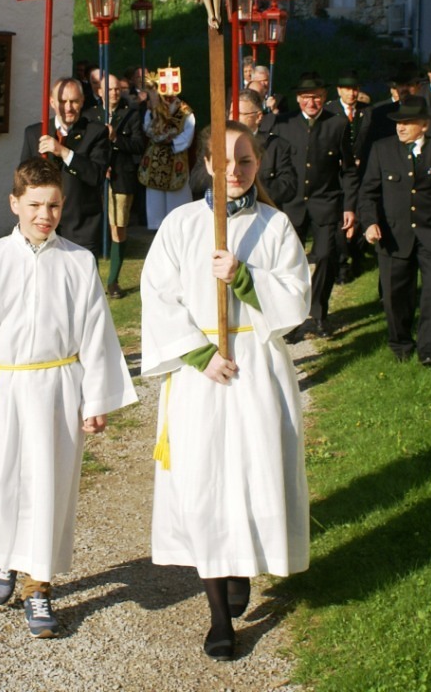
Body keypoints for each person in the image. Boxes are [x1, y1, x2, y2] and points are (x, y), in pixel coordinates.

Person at [0, 158, 137, 639]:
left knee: (50, 487)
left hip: (57, 389)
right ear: (14, 203)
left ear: (63, 206)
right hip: (4, 389)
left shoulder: (78, 261)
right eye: (34, 205)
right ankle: (4, 557)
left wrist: (96, 398)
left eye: (53, 205)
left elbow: (95, 335)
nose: (44, 215)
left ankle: (40, 585)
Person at [140, 121, 311, 661]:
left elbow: (296, 298)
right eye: (225, 160)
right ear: (208, 164)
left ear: (259, 164)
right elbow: (158, 297)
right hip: (202, 373)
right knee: (205, 480)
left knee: (254, 470)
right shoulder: (181, 225)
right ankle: (218, 615)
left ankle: (243, 563)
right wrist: (199, 355)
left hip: (256, 364)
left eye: (246, 160)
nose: (235, 170)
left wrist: (245, 277)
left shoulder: (275, 226)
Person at [358, 95, 431, 365]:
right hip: (393, 235)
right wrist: (369, 223)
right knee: (395, 297)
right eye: (398, 122)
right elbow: (368, 193)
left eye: (407, 122)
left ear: (424, 125)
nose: (401, 127)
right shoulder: (382, 150)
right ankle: (401, 344)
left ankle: (428, 351)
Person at [270, 71, 358, 340]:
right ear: (298, 99)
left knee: (325, 256)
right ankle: (293, 318)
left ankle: (319, 313)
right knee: (289, 262)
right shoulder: (283, 124)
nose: (312, 102)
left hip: (326, 202)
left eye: (317, 97)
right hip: (291, 204)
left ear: (324, 97)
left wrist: (349, 206)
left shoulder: (338, 124)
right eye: (307, 97)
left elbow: (348, 170)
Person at [20, 77, 110, 256]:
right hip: (42, 225)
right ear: (52, 102)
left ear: (82, 101)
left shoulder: (96, 132)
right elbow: (23, 180)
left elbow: (96, 175)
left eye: (74, 101)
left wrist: (63, 151)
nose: (68, 108)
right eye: (62, 101)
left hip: (81, 227)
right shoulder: (35, 133)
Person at [325, 70, 372, 282]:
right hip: (336, 174)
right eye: (347, 89)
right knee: (339, 219)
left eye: (355, 89)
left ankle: (357, 256)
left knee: (360, 215)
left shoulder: (367, 112)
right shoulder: (329, 111)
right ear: (339, 90)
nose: (351, 93)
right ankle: (342, 264)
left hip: (361, 173)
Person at [104, 74, 147, 298]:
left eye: (116, 89)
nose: (113, 93)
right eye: (109, 89)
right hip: (96, 176)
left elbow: (139, 145)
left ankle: (113, 280)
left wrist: (115, 139)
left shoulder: (131, 114)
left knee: (118, 226)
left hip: (121, 177)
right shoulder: (92, 113)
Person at [138, 68, 195, 230]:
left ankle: (179, 228)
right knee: (155, 198)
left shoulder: (185, 112)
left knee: (177, 201)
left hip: (175, 158)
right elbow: (147, 127)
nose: (168, 99)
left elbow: (188, 135)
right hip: (155, 160)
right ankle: (157, 228)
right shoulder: (154, 108)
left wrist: (171, 141)